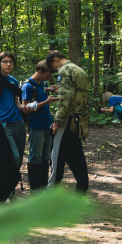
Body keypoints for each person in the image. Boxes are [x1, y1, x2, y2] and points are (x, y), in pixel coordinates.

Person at [46, 50, 89, 192]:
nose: (53, 69)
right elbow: (75, 92)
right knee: (76, 156)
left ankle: (51, 193)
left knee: (57, 156)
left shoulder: (64, 70)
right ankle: (82, 192)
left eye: (52, 66)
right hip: (80, 119)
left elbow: (66, 100)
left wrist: (57, 121)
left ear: (55, 59)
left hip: (68, 120)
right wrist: (59, 89)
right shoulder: (79, 70)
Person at [0, 51, 27, 172]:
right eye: (5, 62)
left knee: (19, 159)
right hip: (3, 124)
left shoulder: (13, 80)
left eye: (11, 62)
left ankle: (11, 186)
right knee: (13, 157)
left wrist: (27, 107)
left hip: (18, 123)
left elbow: (17, 104)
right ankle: (4, 187)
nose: (8, 64)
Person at [22, 61, 58, 192]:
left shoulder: (44, 84)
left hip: (46, 124)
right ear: (40, 72)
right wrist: (46, 102)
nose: (49, 78)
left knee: (45, 157)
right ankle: (35, 189)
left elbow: (46, 103)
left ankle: (43, 187)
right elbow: (25, 108)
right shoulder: (28, 86)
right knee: (35, 156)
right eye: (48, 75)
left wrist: (51, 115)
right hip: (36, 125)